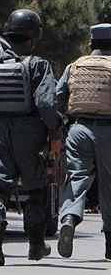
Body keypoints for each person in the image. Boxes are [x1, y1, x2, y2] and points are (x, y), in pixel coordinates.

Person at [0, 9, 61, 266]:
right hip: (30, 134)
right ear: (33, 37)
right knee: (35, 189)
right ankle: (36, 245)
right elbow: (46, 105)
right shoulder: (38, 64)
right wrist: (55, 128)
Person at [55, 23, 111, 261]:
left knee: (77, 179)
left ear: (90, 44)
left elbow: (58, 97)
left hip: (78, 130)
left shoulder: (75, 66)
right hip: (108, 131)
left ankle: (69, 218)